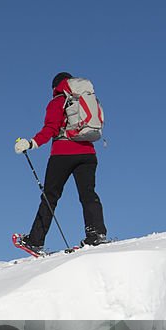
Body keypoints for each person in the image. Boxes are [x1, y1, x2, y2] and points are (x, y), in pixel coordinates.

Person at [14, 72, 107, 252]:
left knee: (50, 197)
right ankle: (97, 234)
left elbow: (50, 129)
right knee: (88, 194)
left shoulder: (58, 100)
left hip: (63, 154)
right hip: (88, 153)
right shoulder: (88, 98)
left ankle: (36, 241)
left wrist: (31, 143)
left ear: (55, 86)